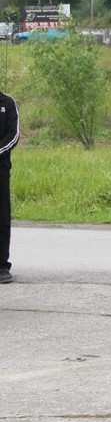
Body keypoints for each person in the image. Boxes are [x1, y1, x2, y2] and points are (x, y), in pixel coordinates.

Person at [0, 86, 20, 283]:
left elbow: (13, 136)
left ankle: (1, 266)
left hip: (1, 172)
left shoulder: (8, 103)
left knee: (2, 218)